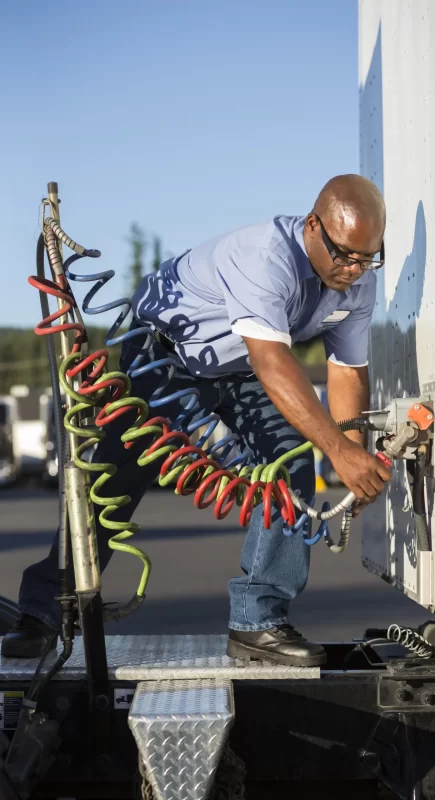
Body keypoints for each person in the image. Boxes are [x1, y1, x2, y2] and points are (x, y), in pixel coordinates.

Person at [2, 174, 391, 666]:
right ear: (313, 226)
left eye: (367, 257)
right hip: (164, 352)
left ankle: (258, 622)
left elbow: (347, 372)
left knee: (290, 467)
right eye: (344, 255)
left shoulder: (359, 281)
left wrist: (352, 448)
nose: (354, 270)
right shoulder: (265, 256)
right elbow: (274, 362)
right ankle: (42, 612)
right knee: (113, 480)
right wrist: (337, 450)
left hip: (237, 366)